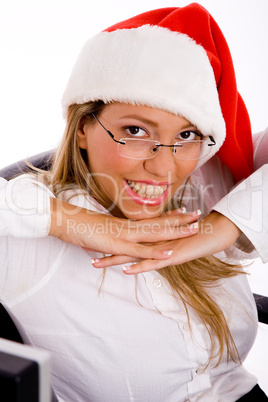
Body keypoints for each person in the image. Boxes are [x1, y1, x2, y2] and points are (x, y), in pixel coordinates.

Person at [0, 3, 267, 401]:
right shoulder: (30, 247)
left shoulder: (204, 188)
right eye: (136, 130)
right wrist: (66, 220)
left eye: (188, 135)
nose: (163, 167)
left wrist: (223, 226)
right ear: (83, 126)